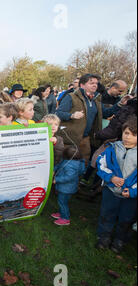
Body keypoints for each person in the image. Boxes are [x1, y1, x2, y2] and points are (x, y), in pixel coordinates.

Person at [56, 73, 129, 166]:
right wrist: (72, 115)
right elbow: (58, 113)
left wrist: (120, 104)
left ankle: (79, 180)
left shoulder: (96, 100)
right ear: (82, 85)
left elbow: (105, 113)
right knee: (64, 163)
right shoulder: (71, 97)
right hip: (70, 139)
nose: (95, 85)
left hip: (85, 139)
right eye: (91, 83)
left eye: (96, 83)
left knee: (83, 163)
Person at [95, 118, 137, 253]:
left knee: (126, 218)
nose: (128, 137)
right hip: (111, 190)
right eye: (126, 133)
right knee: (107, 214)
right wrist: (111, 177)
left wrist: (132, 191)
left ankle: (120, 239)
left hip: (130, 195)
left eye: (133, 134)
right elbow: (101, 164)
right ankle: (104, 236)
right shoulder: (112, 148)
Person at [51, 146, 86, 226]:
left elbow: (69, 177)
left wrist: (57, 179)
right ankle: (61, 213)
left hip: (66, 188)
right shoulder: (75, 161)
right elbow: (60, 165)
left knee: (62, 202)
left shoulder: (70, 165)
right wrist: (54, 169)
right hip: (68, 187)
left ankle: (65, 218)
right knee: (63, 202)